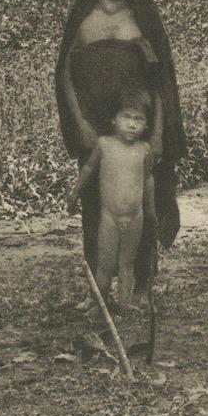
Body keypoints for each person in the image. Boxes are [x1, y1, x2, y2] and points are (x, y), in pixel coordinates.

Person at [54, 0, 185, 312]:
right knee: (96, 205)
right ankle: (98, 289)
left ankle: (140, 285)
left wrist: (158, 133)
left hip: (136, 125)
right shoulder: (83, 20)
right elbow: (64, 74)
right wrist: (79, 123)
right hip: (95, 128)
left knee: (138, 204)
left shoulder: (140, 19)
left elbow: (160, 81)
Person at [70, 90, 157, 310]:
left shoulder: (144, 149)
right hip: (109, 217)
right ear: (114, 120)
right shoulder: (105, 144)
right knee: (105, 263)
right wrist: (74, 193)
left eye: (139, 120)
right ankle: (99, 301)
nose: (132, 124)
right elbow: (89, 168)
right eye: (126, 117)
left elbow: (147, 179)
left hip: (135, 217)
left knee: (127, 262)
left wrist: (150, 210)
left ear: (146, 126)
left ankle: (125, 304)